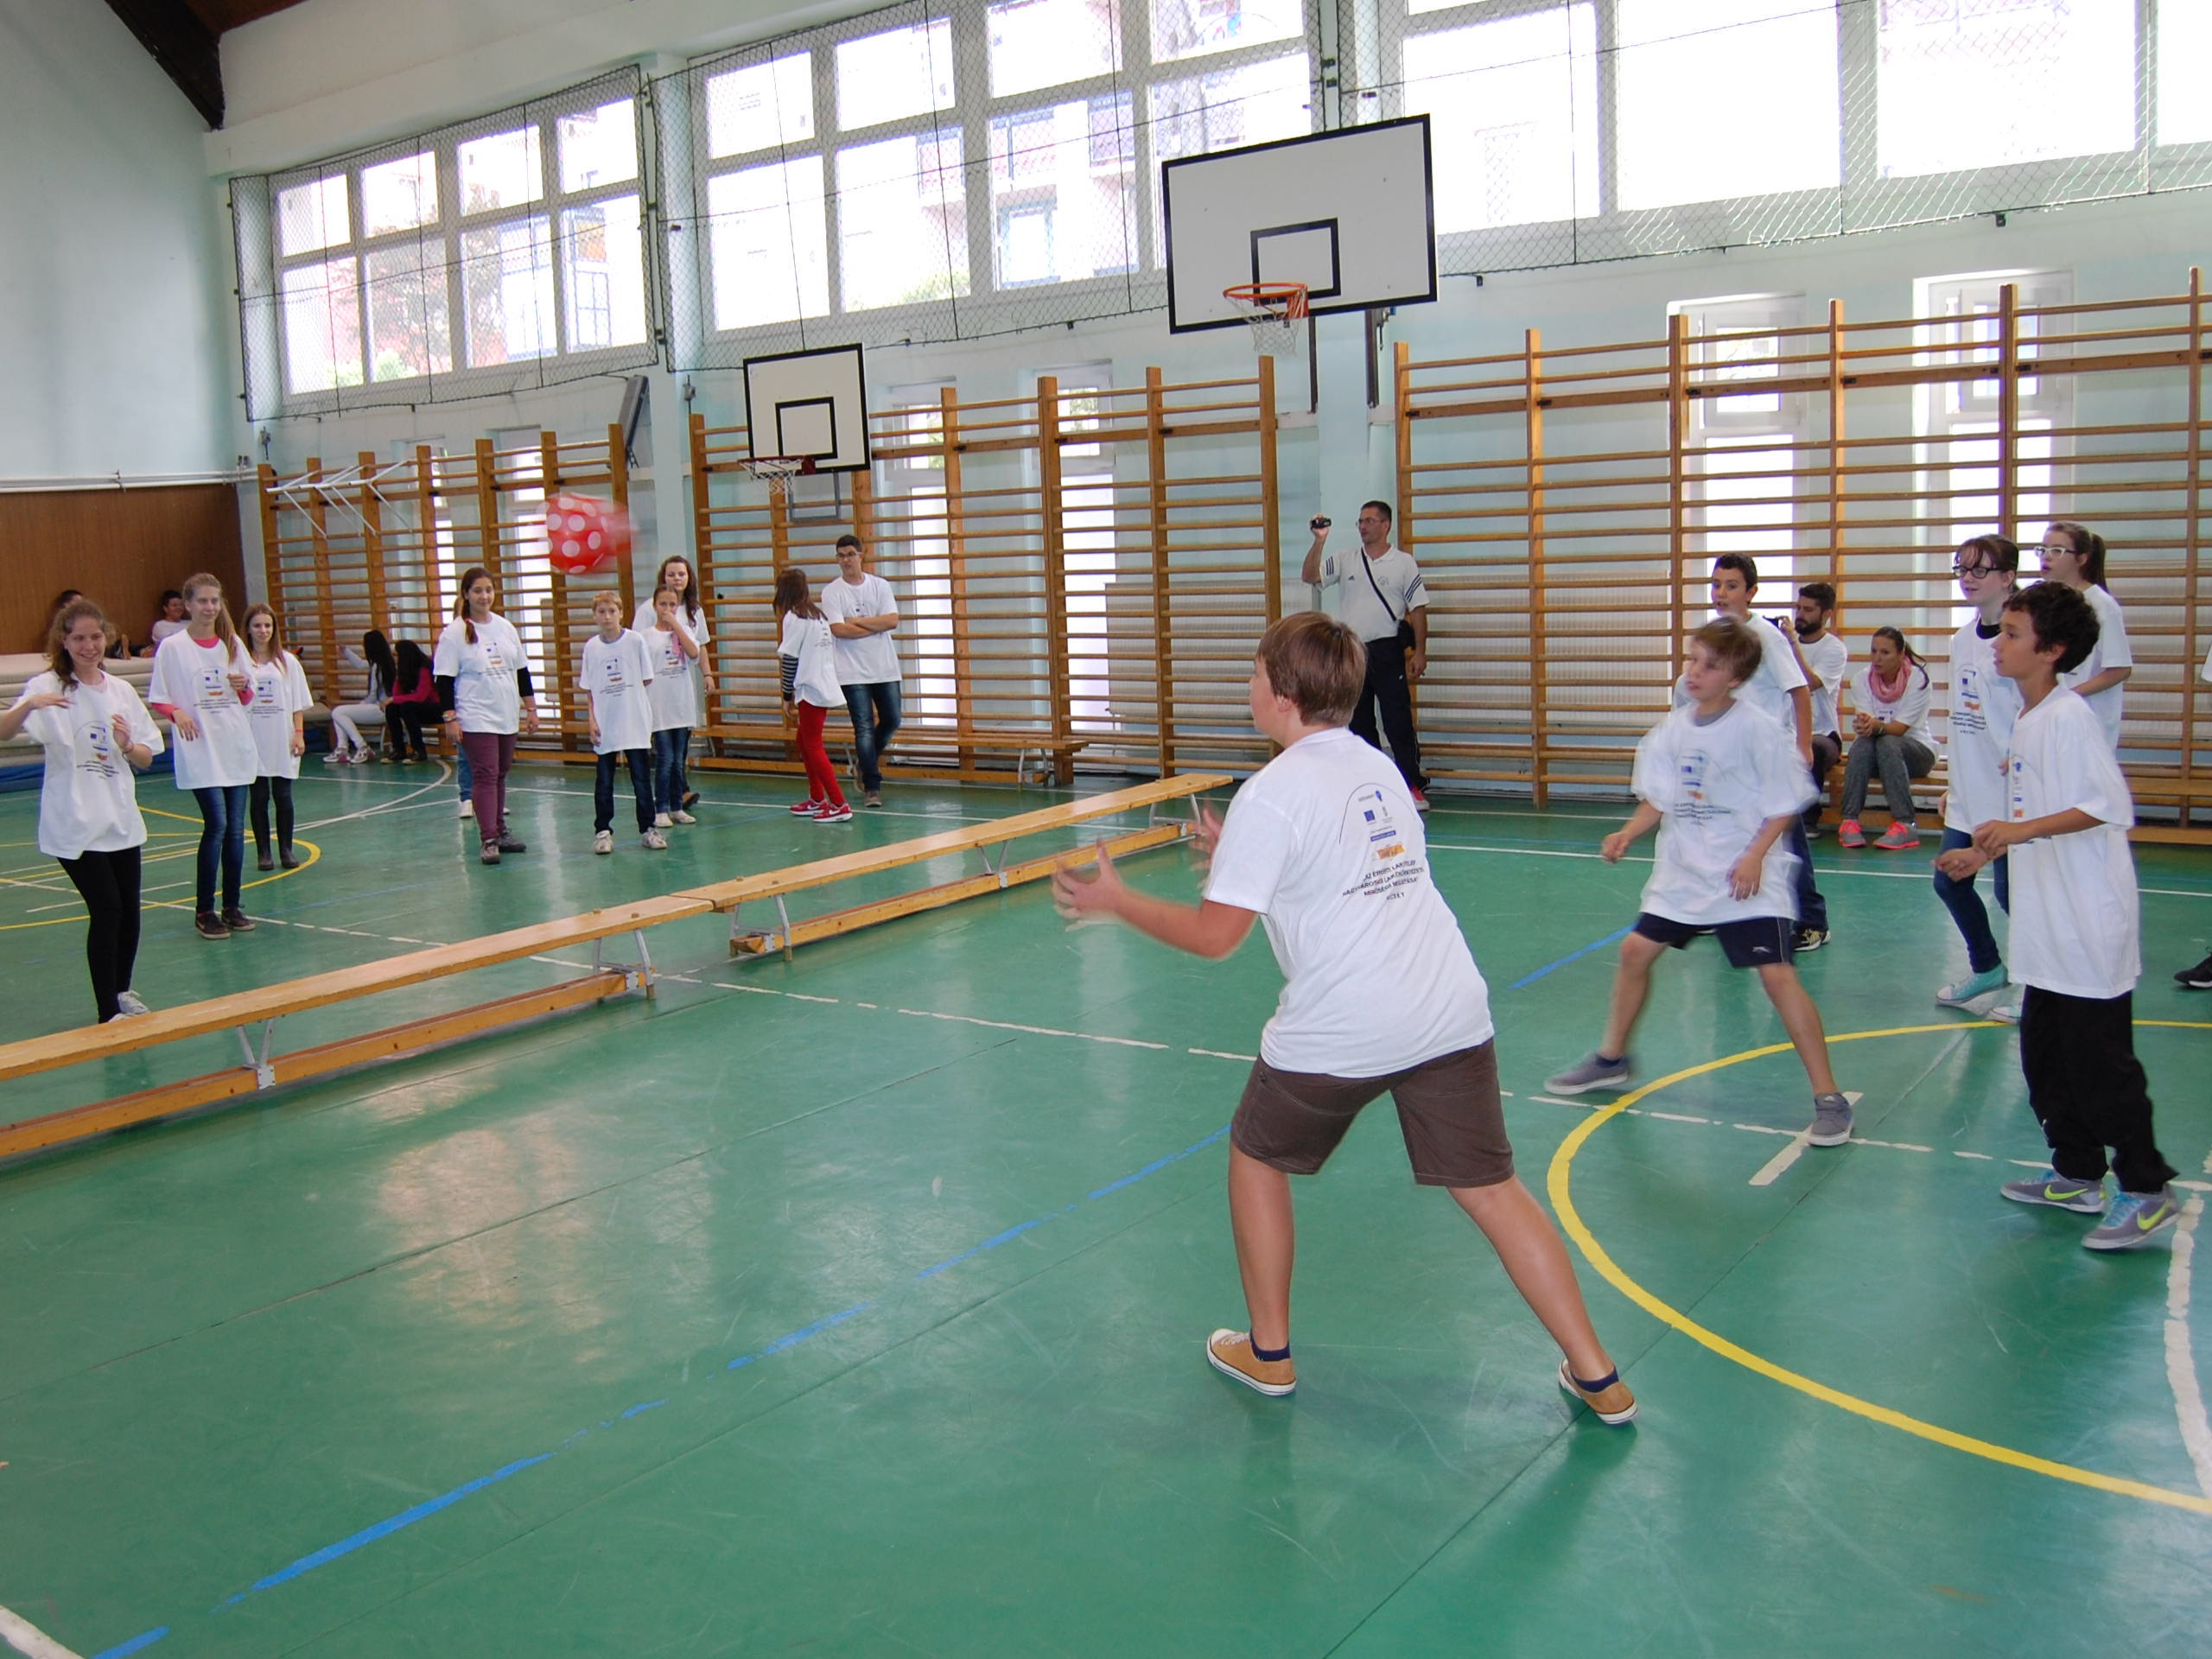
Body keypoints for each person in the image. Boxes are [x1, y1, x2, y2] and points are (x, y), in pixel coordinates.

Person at [1051, 612, 1633, 1421]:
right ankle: (1600, 1376)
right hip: (1446, 1006)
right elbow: (1346, 859)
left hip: (1347, 1021)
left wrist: (1118, 901)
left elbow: (1217, 938)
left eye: (1255, 672)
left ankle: (1269, 1353)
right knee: (1493, 1190)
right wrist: (1242, 856)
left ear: (1283, 696)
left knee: (1256, 1157)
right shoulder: (1375, 764)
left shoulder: (1270, 793)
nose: (1249, 684)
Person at [1935, 582, 2178, 1249]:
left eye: (2014, 633)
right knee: (2046, 1060)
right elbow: (2034, 814)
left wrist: (2017, 832)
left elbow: (2106, 806)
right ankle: (2077, 1173)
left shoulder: (2068, 717)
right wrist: (1983, 853)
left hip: (2087, 925)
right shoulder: (2031, 717)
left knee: (2101, 1068)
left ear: (2053, 650)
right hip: (2046, 928)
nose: (2000, 643)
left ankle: (2148, 1189)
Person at [1548, 619, 1854, 1147]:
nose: (1694, 671)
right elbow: (1659, 799)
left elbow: (1785, 800)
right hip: (1685, 875)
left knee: (1777, 977)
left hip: (1744, 878)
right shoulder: (1673, 730)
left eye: (1709, 666)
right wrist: (1628, 833)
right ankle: (1612, 1058)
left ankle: (1830, 1097)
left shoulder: (1756, 729)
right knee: (1634, 952)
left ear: (1735, 678)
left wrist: (1755, 856)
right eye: (1692, 660)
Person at [0, 599, 162, 1022]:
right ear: (64, 641)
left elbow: (147, 756)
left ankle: (121, 990)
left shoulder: (121, 691)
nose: (89, 646)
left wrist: (127, 745)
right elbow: (4, 731)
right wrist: (28, 706)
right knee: (107, 908)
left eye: (95, 637)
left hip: (119, 818)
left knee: (129, 911)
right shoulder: (47, 686)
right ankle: (107, 1010)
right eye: (79, 638)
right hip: (74, 821)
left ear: (105, 638)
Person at [1675, 554, 1829, 952]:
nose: (1721, 593)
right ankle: (1726, 911)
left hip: (1769, 758)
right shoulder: (1716, 637)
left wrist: (1803, 747)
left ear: (1751, 592)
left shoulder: (1766, 637)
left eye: (1731, 586)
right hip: (1729, 761)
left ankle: (1813, 921)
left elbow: (1799, 691)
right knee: (1725, 836)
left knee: (1788, 840)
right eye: (1716, 585)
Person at [1934, 535, 2024, 1013]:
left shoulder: (2024, 641)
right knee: (1949, 881)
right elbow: (1960, 718)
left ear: (2008, 577)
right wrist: (1955, 784)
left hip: (2013, 791)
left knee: (2015, 897)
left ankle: (2039, 986)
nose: (1968, 578)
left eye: (1980, 570)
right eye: (1962, 569)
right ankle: (1987, 967)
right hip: (1970, 791)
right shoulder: (1961, 639)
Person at [148, 572, 259, 939]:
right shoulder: (173, 647)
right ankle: (204, 910)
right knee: (217, 825)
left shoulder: (232, 644)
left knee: (236, 830)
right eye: (202, 601)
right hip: (201, 748)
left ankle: (232, 905)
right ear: (188, 605)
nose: (209, 607)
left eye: (214, 601)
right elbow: (160, 696)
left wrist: (243, 687)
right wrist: (177, 714)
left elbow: (248, 695)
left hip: (233, 744)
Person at [1300, 500, 1430, 809]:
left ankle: (1410, 784)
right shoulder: (1345, 559)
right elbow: (1310, 575)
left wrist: (1420, 653)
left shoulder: (1403, 563)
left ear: (1386, 525)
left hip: (1388, 650)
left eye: (1370, 521)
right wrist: (1319, 541)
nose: (1363, 526)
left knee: (1397, 721)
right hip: (1354, 651)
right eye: (1360, 521)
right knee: (1359, 723)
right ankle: (1373, 783)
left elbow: (1418, 609)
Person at [434, 566, 539, 865]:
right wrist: (450, 718)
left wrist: (531, 708)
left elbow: (522, 671)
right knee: (485, 774)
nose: (484, 596)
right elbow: (444, 680)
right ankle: (489, 839)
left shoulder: (505, 627)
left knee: (501, 773)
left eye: (488, 590)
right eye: (478, 590)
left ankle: (501, 831)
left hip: (505, 713)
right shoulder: (454, 633)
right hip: (475, 715)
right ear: (466, 594)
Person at [1835, 627, 1935, 851]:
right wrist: (1865, 726)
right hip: (1879, 752)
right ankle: (1849, 821)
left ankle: (1906, 823)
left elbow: (1899, 729)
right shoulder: (1861, 679)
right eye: (1874, 651)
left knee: (1888, 742)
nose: (1877, 658)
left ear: (1901, 655)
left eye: (1885, 652)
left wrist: (1875, 726)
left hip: (1917, 752)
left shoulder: (1918, 680)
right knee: (1862, 744)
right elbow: (1869, 725)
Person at [821, 533, 901, 809]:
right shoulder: (832, 592)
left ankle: (863, 764)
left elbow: (891, 621)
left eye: (850, 555)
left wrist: (857, 621)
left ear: (860, 555)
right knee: (863, 727)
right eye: (841, 556)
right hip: (851, 671)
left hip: (884, 668)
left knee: (892, 719)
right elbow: (838, 630)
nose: (846, 560)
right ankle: (872, 786)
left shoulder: (880, 586)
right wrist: (873, 625)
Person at [581, 590, 664, 854]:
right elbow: (589, 689)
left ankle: (648, 829)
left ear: (621, 613)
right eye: (601, 612)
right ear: (594, 616)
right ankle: (603, 831)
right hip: (606, 724)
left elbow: (646, 678)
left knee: (641, 778)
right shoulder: (591, 647)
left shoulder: (635, 641)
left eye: (612, 611)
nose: (607, 617)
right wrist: (592, 719)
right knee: (604, 780)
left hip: (634, 721)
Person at [2036, 521, 2131, 752]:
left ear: (2081, 559)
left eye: (2057, 550)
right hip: (2049, 714)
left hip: (2087, 719)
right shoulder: (2044, 601)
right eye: (2043, 549)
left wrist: (2068, 695)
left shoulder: (2102, 605)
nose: (2046, 557)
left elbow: (2120, 669)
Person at [635, 556, 714, 812]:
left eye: (681, 574)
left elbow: (699, 646)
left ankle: (678, 797)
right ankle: (669, 799)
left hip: (680, 689)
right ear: (663, 577)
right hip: (658, 691)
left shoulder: (693, 610)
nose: (677, 579)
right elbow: (638, 647)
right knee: (666, 754)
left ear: (689, 577)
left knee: (680, 750)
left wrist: (707, 674)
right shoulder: (648, 610)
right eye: (671, 574)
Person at [775, 568, 851, 823]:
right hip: (822, 684)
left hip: (811, 688)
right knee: (804, 740)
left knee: (813, 745)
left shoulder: (794, 617)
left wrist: (786, 695)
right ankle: (817, 798)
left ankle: (839, 803)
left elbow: (790, 659)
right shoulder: (818, 616)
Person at [242, 603, 312, 872]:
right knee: (259, 797)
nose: (263, 630)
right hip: (253, 738)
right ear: (248, 629)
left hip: (282, 736)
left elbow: (298, 703)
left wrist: (299, 734)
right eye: (257, 625)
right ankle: (264, 852)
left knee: (283, 795)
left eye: (267, 625)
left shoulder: (287, 662)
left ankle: (286, 849)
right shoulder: (240, 662)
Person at [644, 585, 702, 830]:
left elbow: (694, 653)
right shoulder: (646, 637)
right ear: (655, 606)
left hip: (682, 706)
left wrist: (676, 626)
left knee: (679, 761)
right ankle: (661, 808)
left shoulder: (684, 631)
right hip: (660, 707)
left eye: (672, 605)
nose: (667, 609)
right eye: (663, 604)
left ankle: (677, 807)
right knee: (665, 759)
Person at [1792, 582, 1847, 837]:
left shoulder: (1833, 648)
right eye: (1799, 608)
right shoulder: (1783, 646)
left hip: (1824, 733)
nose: (1800, 615)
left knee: (1812, 747)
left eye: (1808, 610)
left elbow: (1810, 684)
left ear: (1826, 614)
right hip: (1788, 728)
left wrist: (1792, 647)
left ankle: (1807, 820)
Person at [327, 630, 395, 764]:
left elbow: (373, 694)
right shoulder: (384, 662)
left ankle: (362, 746)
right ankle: (342, 748)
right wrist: (346, 651)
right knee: (338, 714)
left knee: (338, 712)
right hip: (382, 708)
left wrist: (363, 704)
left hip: (380, 708)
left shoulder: (377, 666)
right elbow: (360, 664)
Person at [385, 639, 438, 762]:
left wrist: (394, 699)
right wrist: (398, 678)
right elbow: (397, 694)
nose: (394, 658)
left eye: (396, 655)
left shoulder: (424, 668)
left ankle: (419, 750)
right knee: (392, 708)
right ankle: (399, 749)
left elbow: (421, 696)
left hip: (435, 708)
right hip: (417, 709)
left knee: (407, 707)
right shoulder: (404, 669)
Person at [137, 590, 187, 658]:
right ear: (166, 609)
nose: (179, 608)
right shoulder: (160, 625)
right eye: (174, 605)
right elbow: (171, 643)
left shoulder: (189, 623)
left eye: (181, 605)